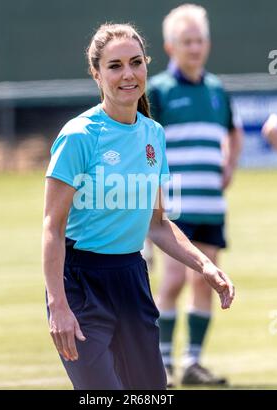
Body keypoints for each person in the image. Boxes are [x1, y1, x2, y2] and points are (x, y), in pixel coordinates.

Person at [42, 23, 235, 390]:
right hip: (81, 282)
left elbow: (158, 224)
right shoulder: (78, 136)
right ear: (96, 73)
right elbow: (52, 227)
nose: (128, 74)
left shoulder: (154, 135)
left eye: (135, 62)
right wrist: (58, 306)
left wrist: (205, 265)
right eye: (115, 66)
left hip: (132, 277)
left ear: (147, 65)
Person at [148, 4, 242, 387]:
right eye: (186, 42)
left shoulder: (217, 89)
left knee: (207, 279)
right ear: (171, 47)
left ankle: (192, 363)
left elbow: (234, 133)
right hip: (176, 203)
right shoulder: (159, 89)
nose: (194, 48)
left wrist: (230, 165)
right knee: (172, 280)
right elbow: (146, 142)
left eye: (199, 40)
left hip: (211, 204)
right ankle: (163, 365)